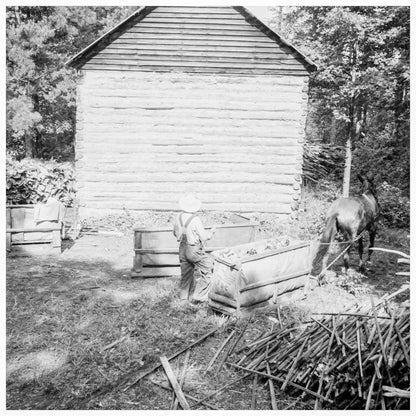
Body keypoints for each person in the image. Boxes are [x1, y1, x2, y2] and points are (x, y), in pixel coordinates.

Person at [173, 194, 216, 304]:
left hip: (182, 248)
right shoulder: (195, 219)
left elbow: (175, 233)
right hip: (194, 250)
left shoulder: (178, 217)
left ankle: (183, 299)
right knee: (208, 269)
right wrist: (211, 232)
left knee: (186, 274)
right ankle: (199, 296)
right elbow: (204, 237)